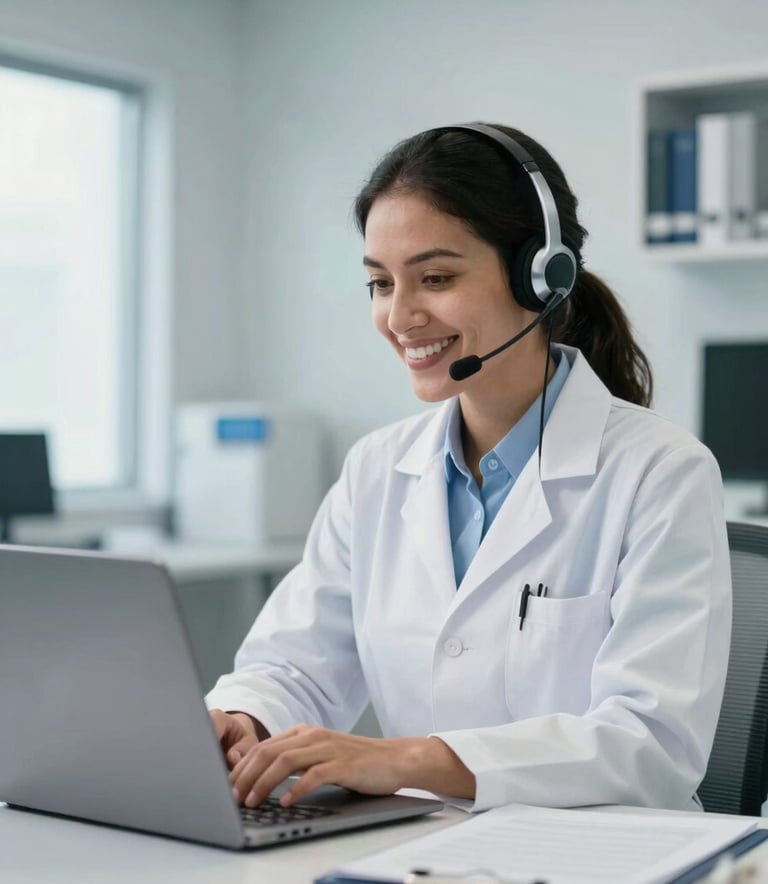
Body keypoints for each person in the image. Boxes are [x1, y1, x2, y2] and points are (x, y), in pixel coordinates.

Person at [205, 123, 731, 814]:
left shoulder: (660, 473)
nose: (400, 316)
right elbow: (291, 664)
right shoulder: (377, 469)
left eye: (437, 278)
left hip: (595, 858)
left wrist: (410, 758)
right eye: (379, 283)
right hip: (419, 851)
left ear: (542, 276)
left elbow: (651, 744)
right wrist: (246, 720)